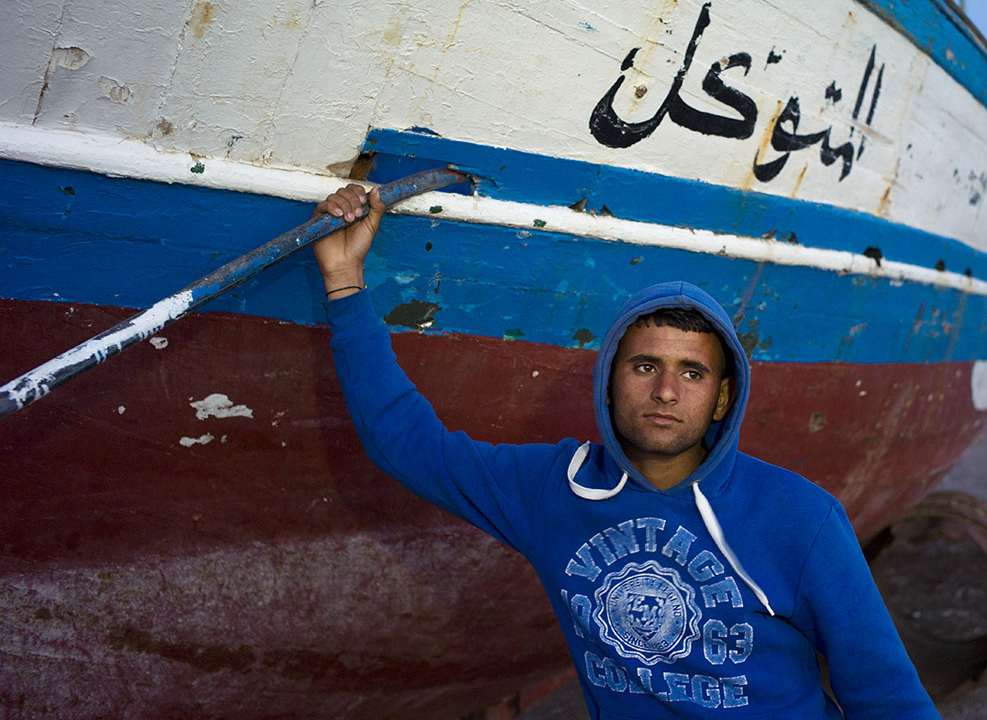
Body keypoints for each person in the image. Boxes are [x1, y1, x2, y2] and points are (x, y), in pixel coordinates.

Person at [314, 183, 940, 719]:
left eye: (692, 373)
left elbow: (886, 694)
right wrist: (344, 282)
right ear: (609, 383)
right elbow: (408, 444)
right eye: (645, 367)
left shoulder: (800, 517)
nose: (666, 391)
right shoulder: (555, 490)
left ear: (722, 398)